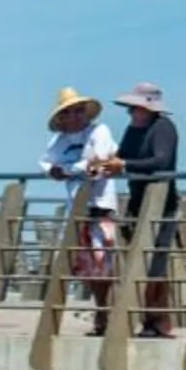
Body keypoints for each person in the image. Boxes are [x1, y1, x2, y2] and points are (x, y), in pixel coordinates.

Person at [99, 82, 180, 337]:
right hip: (137, 203)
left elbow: (161, 160)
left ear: (149, 108)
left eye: (135, 108)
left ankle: (157, 321)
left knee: (156, 264)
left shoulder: (163, 127)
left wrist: (123, 165)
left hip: (162, 204)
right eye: (130, 109)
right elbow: (122, 156)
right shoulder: (133, 129)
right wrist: (105, 163)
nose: (132, 113)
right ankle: (146, 319)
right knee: (139, 263)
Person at [40, 88, 119, 322]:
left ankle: (107, 313)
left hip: (101, 205)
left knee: (104, 260)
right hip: (77, 209)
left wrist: (65, 170)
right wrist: (56, 171)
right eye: (68, 112)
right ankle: (101, 311)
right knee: (86, 265)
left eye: (78, 111)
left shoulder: (99, 131)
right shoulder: (60, 140)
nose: (74, 116)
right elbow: (45, 163)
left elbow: (97, 162)